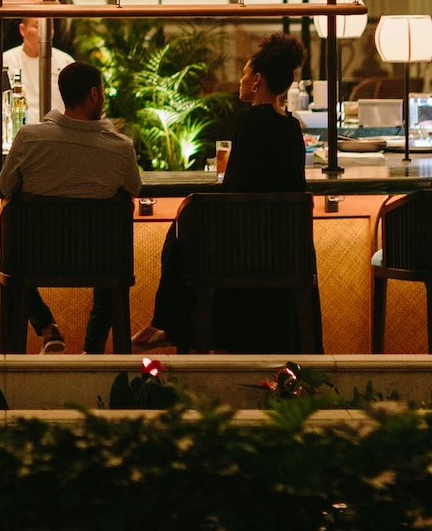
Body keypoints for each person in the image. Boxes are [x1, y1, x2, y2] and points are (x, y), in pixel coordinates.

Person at [133, 33, 310, 352]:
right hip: (286, 252)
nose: (239, 81)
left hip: (243, 252)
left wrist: (197, 205)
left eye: (244, 73)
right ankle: (167, 326)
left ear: (257, 81)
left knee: (179, 233)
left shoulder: (252, 120)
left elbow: (236, 193)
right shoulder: (292, 127)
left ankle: (172, 326)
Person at [0, 61, 142, 353]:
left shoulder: (29, 138)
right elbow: (134, 189)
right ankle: (94, 349)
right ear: (94, 95)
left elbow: (5, 187)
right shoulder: (120, 147)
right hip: (101, 260)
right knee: (113, 248)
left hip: (34, 258)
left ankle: (46, 327)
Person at [0, 17, 74, 122]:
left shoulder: (65, 61)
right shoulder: (6, 60)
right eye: (37, 27)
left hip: (58, 130)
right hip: (20, 128)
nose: (44, 33)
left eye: (49, 27)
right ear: (22, 30)